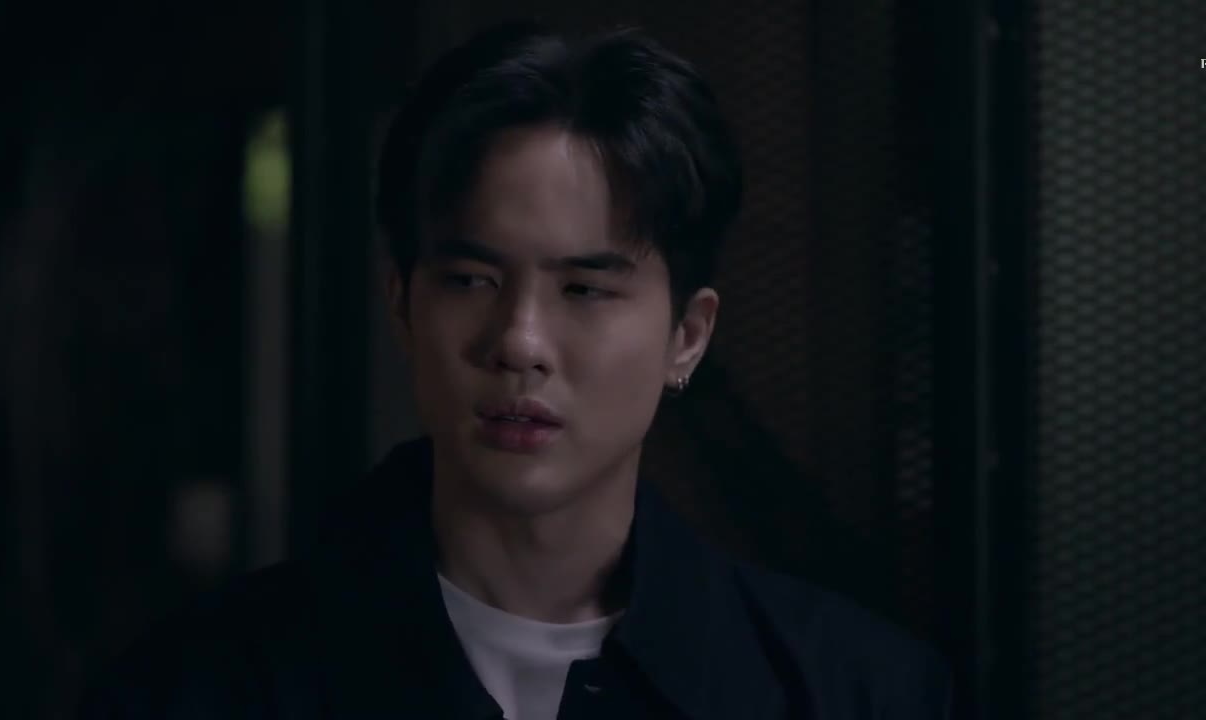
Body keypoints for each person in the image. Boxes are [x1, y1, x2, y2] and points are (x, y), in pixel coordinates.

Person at [82, 21, 953, 720]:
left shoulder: (854, 693)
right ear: (402, 306)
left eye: (584, 289)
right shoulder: (199, 691)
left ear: (687, 336)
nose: (520, 342)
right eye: (471, 280)